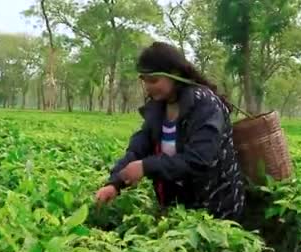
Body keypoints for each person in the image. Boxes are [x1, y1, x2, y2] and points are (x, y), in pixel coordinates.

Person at [94, 41, 245, 221]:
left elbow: (199, 159)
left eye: (154, 80)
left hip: (216, 207)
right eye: (144, 80)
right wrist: (115, 183)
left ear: (175, 75)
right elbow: (138, 150)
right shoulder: (159, 108)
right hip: (178, 209)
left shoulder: (205, 105)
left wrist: (146, 166)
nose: (148, 87)